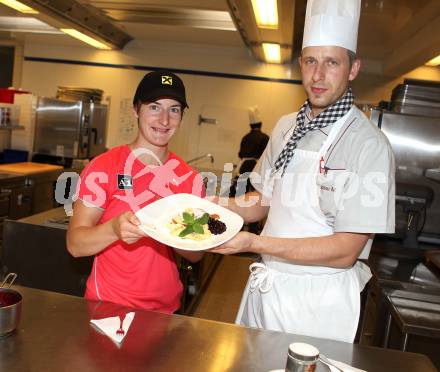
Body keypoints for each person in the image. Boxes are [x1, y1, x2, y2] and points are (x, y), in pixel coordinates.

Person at [211, 0, 395, 343]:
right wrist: (214, 205)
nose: (318, 75)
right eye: (311, 61)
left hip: (319, 307)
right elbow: (264, 200)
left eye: (332, 62)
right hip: (265, 293)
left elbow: (344, 251)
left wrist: (254, 241)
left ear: (353, 68)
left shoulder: (368, 146)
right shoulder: (285, 128)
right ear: (300, 64)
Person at [67, 70, 204, 313]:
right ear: (136, 110)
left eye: (174, 110)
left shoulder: (188, 178)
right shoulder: (105, 166)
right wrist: (113, 229)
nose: (164, 120)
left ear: (181, 117)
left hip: (166, 310)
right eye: (154, 107)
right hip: (108, 305)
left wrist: (171, 223)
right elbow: (76, 244)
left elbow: (196, 254)